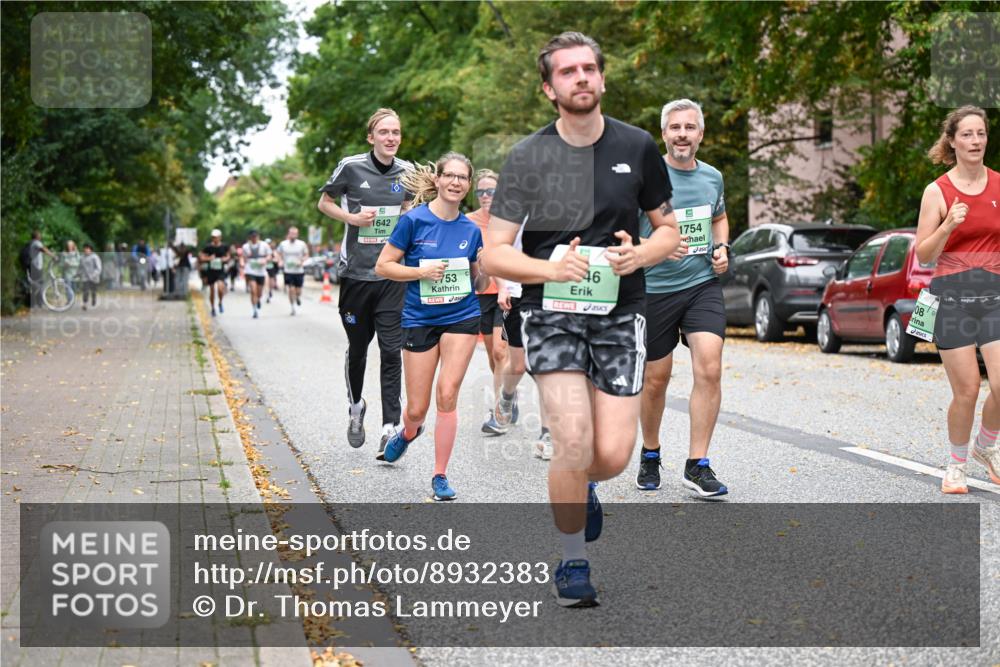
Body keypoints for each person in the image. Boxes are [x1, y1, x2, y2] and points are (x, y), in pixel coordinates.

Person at [482, 32, 679, 608]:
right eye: (568, 72)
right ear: (549, 88)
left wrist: (640, 253)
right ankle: (572, 559)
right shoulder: (527, 157)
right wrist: (547, 267)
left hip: (621, 313)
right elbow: (493, 253)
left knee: (613, 454)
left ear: (603, 78)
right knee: (571, 438)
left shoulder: (638, 146)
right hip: (551, 313)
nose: (582, 78)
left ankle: (586, 486)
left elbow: (668, 230)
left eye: (590, 68)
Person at [374, 152, 487, 501]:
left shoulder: (471, 229)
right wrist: (420, 272)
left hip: (462, 316)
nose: (456, 182)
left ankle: (440, 475)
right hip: (419, 318)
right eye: (449, 176)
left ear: (467, 186)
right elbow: (383, 266)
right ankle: (407, 433)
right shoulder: (414, 221)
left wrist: (483, 269)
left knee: (448, 394)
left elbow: (478, 285)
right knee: (416, 409)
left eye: (462, 178)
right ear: (437, 180)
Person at [633, 99, 730, 497]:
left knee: (709, 367)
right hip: (653, 290)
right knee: (656, 380)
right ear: (664, 133)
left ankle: (698, 463)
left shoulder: (712, 177)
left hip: (701, 285)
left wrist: (723, 248)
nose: (682, 134)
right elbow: (615, 232)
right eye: (675, 127)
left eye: (690, 127)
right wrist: (654, 245)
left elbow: (718, 217)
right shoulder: (644, 177)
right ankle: (651, 452)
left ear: (701, 134)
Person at [317, 108, 414, 450]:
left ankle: (391, 425)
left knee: (391, 351)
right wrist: (351, 218)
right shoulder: (351, 166)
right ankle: (356, 406)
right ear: (371, 137)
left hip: (390, 275)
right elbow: (324, 203)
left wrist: (407, 215)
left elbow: (412, 210)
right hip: (356, 275)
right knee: (359, 349)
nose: (391, 138)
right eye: (384, 132)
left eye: (396, 132)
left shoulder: (409, 172)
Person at [915, 105, 999, 494]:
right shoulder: (938, 190)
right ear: (952, 140)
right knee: (966, 390)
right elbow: (923, 254)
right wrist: (948, 224)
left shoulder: (999, 184)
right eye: (967, 134)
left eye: (980, 133)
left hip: (995, 298)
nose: (976, 141)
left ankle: (986, 445)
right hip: (953, 301)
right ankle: (956, 465)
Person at [468, 169, 517, 435]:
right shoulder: (469, 222)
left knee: (500, 351)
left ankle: (500, 410)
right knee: (492, 354)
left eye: (491, 191)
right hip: (480, 294)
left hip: (506, 292)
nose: (486, 196)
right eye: (481, 192)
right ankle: (509, 394)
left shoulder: (510, 220)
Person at [276, 226, 310, 316]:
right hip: (288, 271)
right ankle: (293, 307)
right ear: (288, 234)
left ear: (297, 234)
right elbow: (278, 253)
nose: (293, 235)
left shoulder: (302, 244)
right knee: (291, 289)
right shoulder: (283, 244)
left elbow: (306, 254)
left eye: (295, 233)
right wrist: (280, 261)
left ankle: (298, 297)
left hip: (299, 271)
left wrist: (302, 261)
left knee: (298, 290)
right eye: (291, 233)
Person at [200, 229, 230, 317]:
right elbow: (201, 257)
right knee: (212, 290)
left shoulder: (224, 246)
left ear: (220, 237)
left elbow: (228, 256)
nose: (215, 239)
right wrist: (209, 258)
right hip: (211, 271)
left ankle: (220, 302)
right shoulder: (208, 247)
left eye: (216, 237)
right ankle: (213, 308)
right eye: (213, 237)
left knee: (220, 288)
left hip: (220, 271)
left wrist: (224, 259)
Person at [241, 231, 271, 318]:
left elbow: (269, 255)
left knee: (259, 293)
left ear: (258, 237)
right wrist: (242, 263)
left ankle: (258, 300)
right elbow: (243, 257)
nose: (254, 238)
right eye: (252, 237)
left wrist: (265, 260)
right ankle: (254, 310)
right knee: (253, 290)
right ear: (250, 237)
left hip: (261, 272)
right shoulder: (245, 246)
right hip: (250, 271)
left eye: (256, 236)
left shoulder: (264, 245)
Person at [23, 230, 57, 306]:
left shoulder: (32, 243)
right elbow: (43, 249)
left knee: (37, 284)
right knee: (39, 284)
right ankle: (37, 301)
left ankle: (35, 301)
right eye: (40, 235)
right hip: (35, 267)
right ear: (37, 236)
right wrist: (53, 256)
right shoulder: (36, 242)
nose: (41, 236)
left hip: (34, 266)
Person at [78, 244, 102, 310]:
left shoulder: (95, 257)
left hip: (94, 277)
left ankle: (94, 299)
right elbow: (80, 267)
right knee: (85, 290)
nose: (86, 250)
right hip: (85, 277)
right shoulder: (82, 257)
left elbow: (98, 268)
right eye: (85, 248)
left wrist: (93, 275)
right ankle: (85, 303)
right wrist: (77, 274)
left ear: (90, 249)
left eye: (88, 248)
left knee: (93, 291)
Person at [264, 237, 279, 302]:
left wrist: (270, 260)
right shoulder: (262, 250)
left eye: (269, 243)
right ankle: (267, 295)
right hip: (263, 268)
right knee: (266, 282)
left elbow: (277, 260)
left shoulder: (273, 251)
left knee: (271, 282)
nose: (268, 245)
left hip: (271, 268)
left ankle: (270, 291)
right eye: (266, 243)